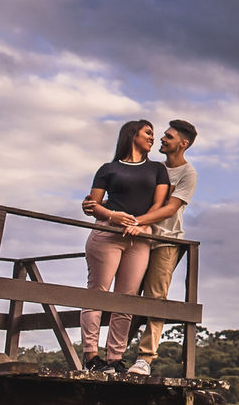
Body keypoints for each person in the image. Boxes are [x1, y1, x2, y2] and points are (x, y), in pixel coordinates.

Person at [79, 120, 169, 373]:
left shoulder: (157, 169)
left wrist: (139, 224)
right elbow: (92, 205)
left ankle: (115, 358)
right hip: (107, 234)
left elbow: (159, 207)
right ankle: (91, 356)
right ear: (132, 134)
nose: (153, 138)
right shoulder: (108, 169)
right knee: (97, 292)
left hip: (139, 238)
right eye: (148, 133)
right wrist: (114, 216)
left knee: (127, 299)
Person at [122, 119, 199, 376]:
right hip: (139, 239)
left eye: (168, 136)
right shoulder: (153, 168)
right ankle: (116, 353)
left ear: (183, 143)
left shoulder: (187, 174)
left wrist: (138, 221)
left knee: (155, 297)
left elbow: (171, 208)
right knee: (127, 295)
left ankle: (145, 358)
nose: (162, 139)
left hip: (166, 241)